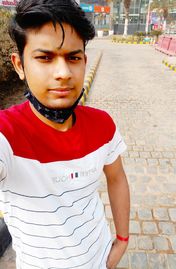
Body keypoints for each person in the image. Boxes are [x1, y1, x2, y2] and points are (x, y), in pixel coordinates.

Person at [0, 1, 130, 269]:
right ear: (19, 64)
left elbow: (116, 178)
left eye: (73, 57)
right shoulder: (8, 134)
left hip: (100, 257)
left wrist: (122, 239)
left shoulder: (103, 125)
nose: (63, 73)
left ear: (84, 61)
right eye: (45, 58)